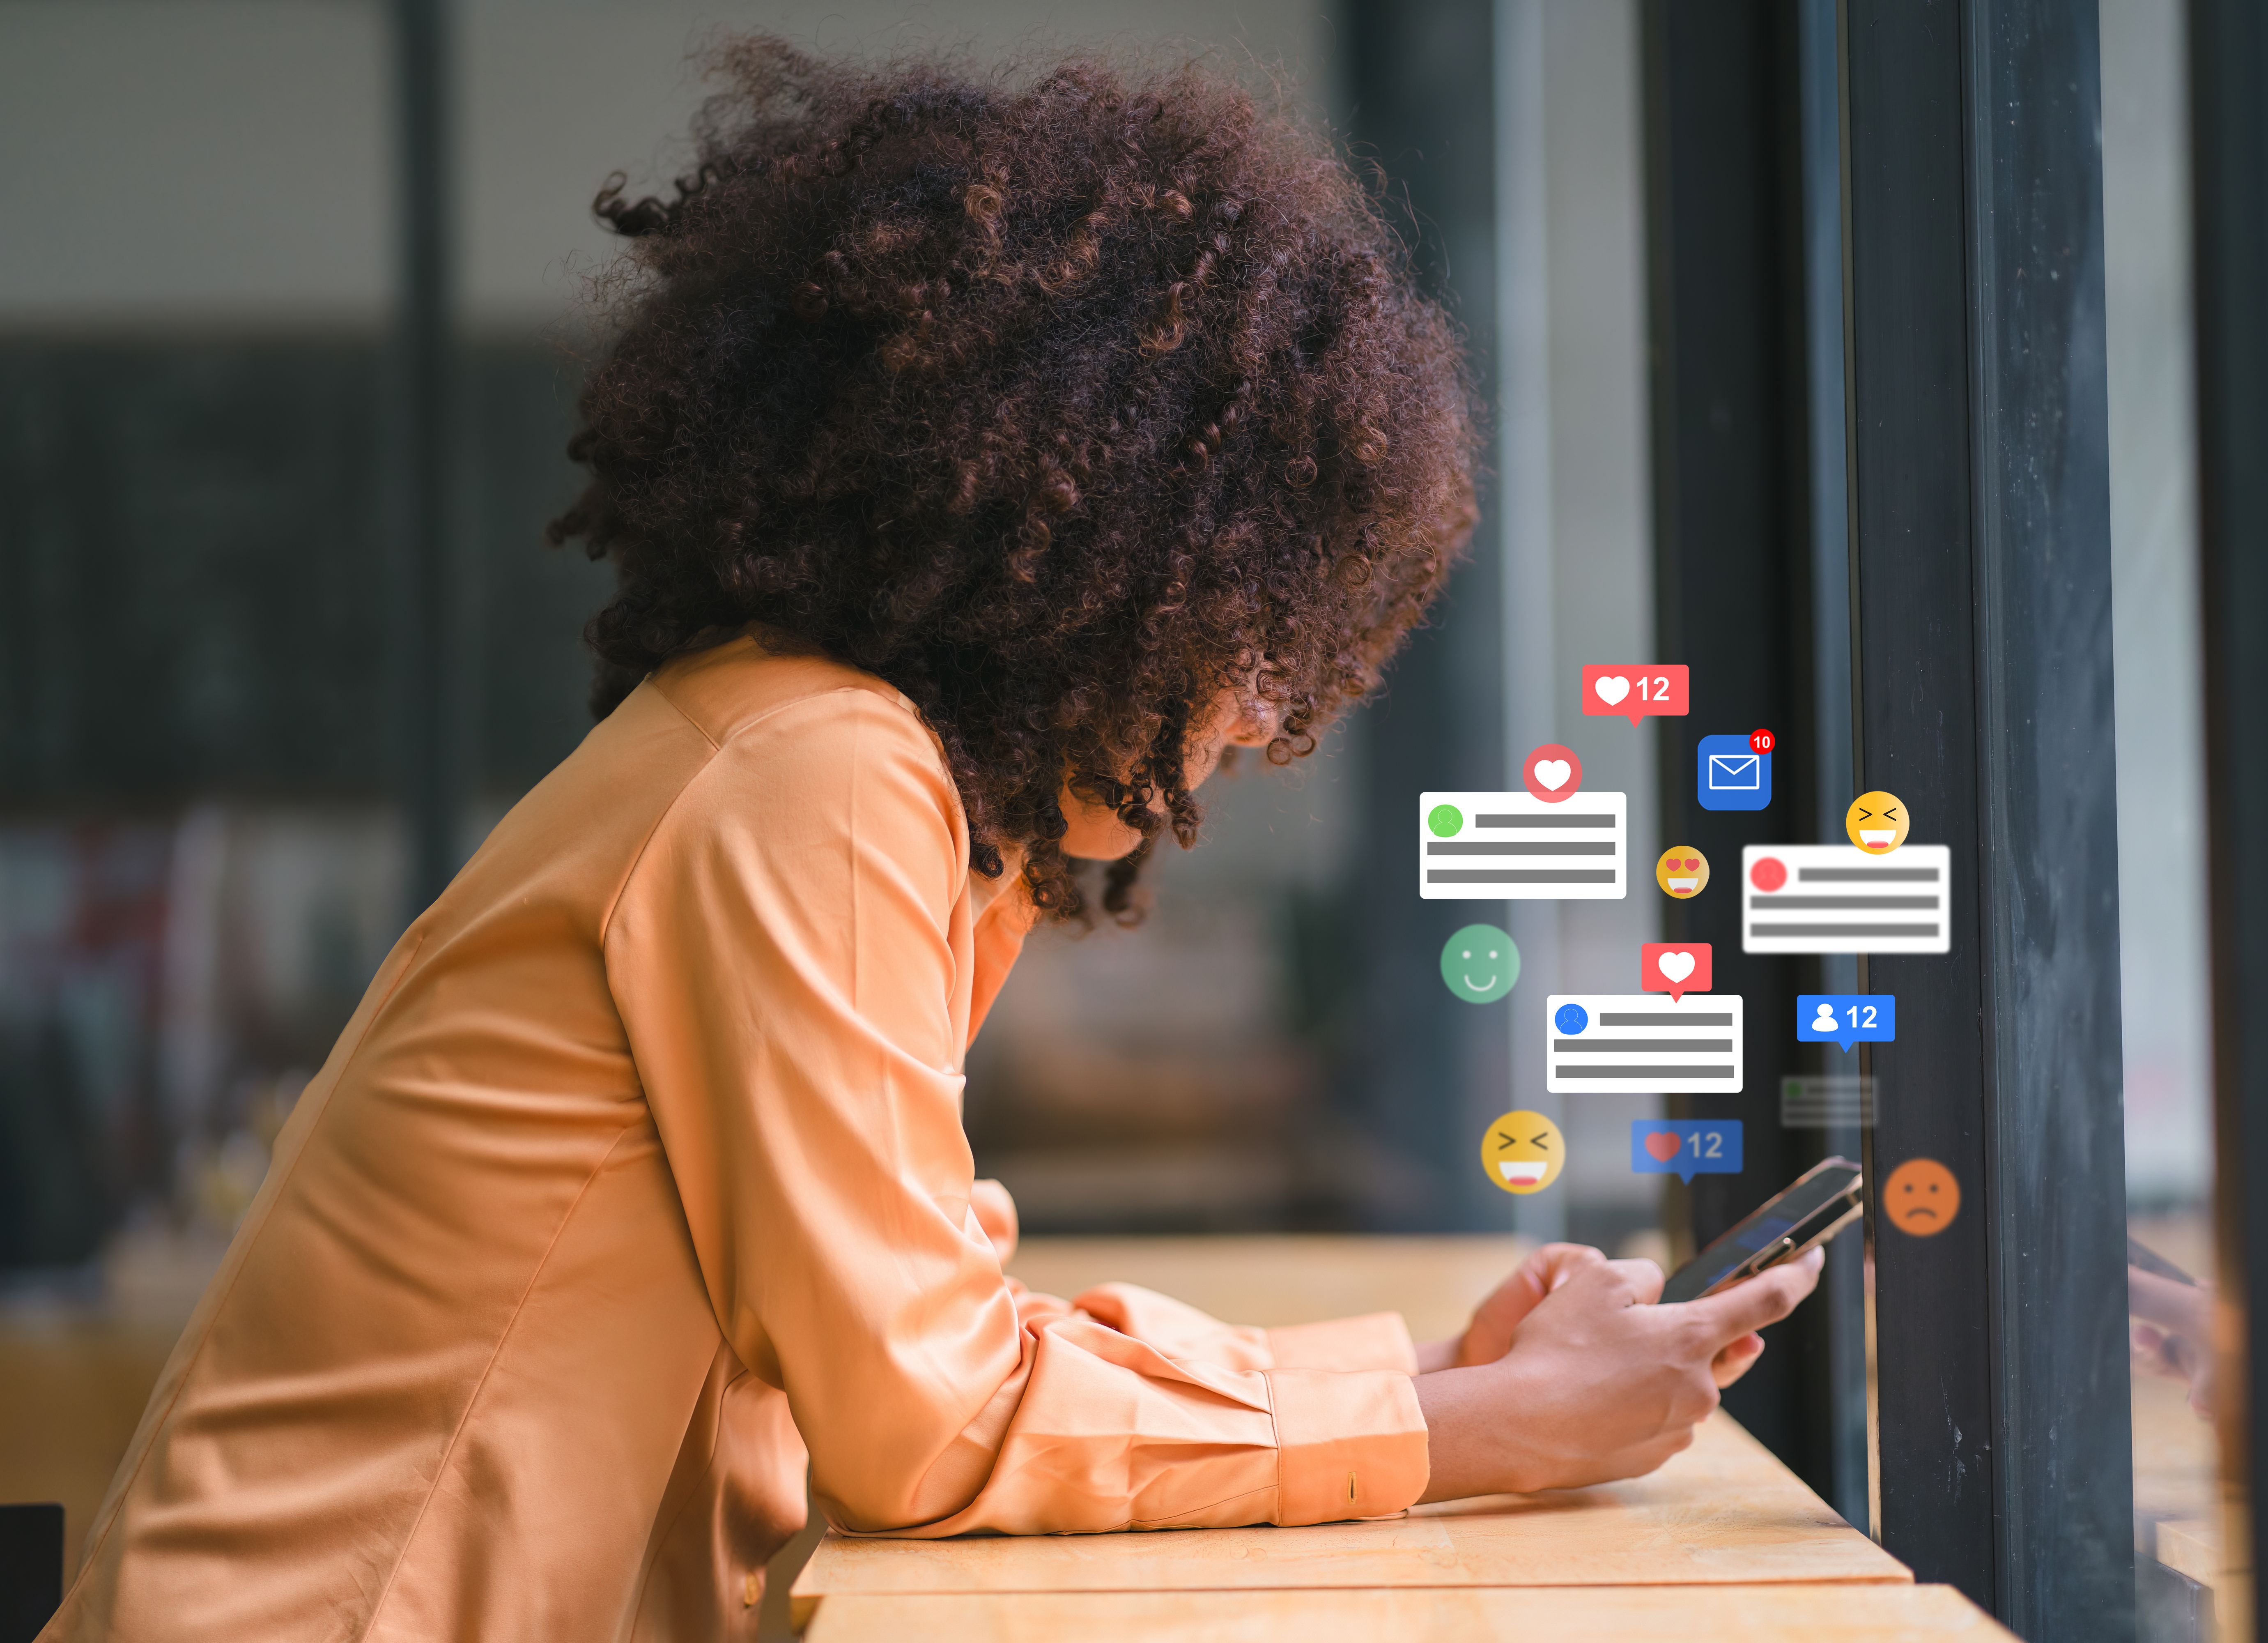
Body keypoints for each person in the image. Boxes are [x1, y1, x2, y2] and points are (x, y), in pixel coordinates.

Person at [43, 44, 1819, 1641]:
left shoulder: (796, 749)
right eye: (1265, 633)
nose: (1267, 724)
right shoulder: (815, 776)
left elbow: (927, 1348)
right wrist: (1473, 1435)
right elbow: (929, 1416)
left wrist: (1429, 1375)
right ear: (1123, 550)